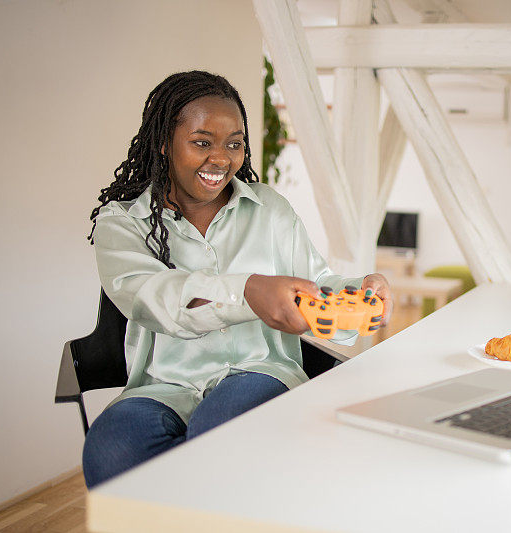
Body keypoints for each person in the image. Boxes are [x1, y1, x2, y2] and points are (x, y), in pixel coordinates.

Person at [81, 71, 392, 488]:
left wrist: (361, 292)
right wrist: (248, 292)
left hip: (259, 371)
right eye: (202, 142)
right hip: (164, 386)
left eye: (234, 143)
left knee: (220, 431)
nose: (222, 158)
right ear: (163, 143)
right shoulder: (123, 223)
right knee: (112, 451)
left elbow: (319, 282)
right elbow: (152, 297)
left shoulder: (269, 209)